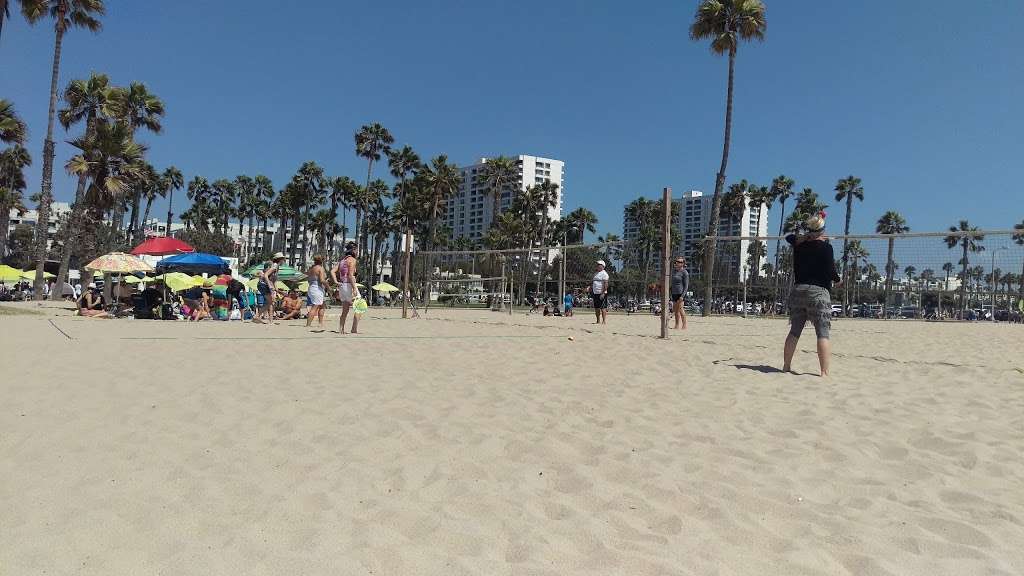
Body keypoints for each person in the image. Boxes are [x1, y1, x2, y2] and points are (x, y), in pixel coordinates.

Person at [782, 212, 841, 377]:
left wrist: (806, 237)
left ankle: (786, 366)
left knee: (794, 331)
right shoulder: (826, 248)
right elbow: (831, 271)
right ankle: (824, 372)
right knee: (822, 333)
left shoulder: (798, 244)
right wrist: (838, 281)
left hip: (798, 291)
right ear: (822, 231)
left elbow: (789, 237)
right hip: (818, 293)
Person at [331, 241, 361, 334]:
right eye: (357, 250)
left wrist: (336, 281)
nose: (357, 252)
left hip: (342, 286)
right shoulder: (352, 260)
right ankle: (354, 328)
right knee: (359, 306)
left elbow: (332, 271)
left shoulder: (342, 261)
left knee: (345, 309)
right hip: (349, 285)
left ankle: (341, 329)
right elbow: (351, 275)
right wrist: (355, 288)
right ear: (354, 250)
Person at [255, 252, 285, 324]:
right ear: (279, 260)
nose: (284, 261)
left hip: (265, 285)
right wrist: (270, 286)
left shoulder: (276, 267)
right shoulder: (274, 266)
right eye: (283, 259)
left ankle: (270, 321)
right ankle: (257, 316)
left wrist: (278, 290)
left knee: (271, 302)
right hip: (263, 284)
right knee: (271, 302)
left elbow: (274, 280)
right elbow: (265, 275)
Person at [305, 255, 328, 330]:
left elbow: (308, 279)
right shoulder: (320, 268)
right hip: (317, 288)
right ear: (322, 261)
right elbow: (321, 280)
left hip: (311, 287)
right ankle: (308, 324)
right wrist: (328, 286)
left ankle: (320, 323)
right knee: (315, 306)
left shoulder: (311, 269)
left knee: (322, 305)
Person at [671, 256, 689, 330]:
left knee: (681, 309)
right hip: (674, 293)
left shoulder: (685, 272)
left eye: (680, 262)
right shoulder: (674, 271)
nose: (678, 263)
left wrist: (682, 295)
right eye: (677, 261)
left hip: (681, 293)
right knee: (676, 310)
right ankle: (677, 325)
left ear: (683, 263)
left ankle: (684, 325)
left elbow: (686, 286)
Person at [591, 260, 609, 324]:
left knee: (603, 308)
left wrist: (603, 293)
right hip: (595, 293)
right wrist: (589, 287)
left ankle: (604, 321)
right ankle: (598, 321)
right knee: (596, 308)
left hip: (602, 293)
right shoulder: (595, 273)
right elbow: (593, 283)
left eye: (599, 264)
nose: (597, 265)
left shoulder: (604, 274)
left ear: (603, 266)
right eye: (597, 264)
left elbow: (606, 284)